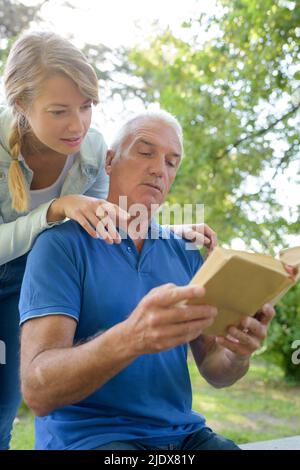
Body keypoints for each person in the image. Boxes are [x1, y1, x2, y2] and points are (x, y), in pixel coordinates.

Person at [0, 32, 216, 450]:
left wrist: (167, 235)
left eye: (86, 107)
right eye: (60, 110)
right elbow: (70, 215)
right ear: (21, 106)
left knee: (4, 411)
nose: (77, 125)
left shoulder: (91, 148)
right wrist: (55, 208)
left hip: (34, 269)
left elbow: (110, 217)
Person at [19, 110, 276, 451]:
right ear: (110, 160)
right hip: (92, 439)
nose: (159, 169)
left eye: (172, 162)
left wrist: (238, 353)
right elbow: (38, 390)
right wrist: (132, 337)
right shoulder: (61, 245)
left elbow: (216, 370)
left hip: (184, 437)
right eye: (145, 152)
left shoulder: (186, 252)